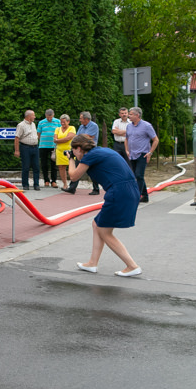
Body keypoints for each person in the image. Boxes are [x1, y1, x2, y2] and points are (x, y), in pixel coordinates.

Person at [68, 134, 142, 277]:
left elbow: (73, 176)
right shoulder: (103, 151)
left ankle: (132, 266)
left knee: (104, 231)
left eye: (74, 150)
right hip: (129, 190)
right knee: (97, 224)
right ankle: (92, 263)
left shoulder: (90, 156)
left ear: (78, 148)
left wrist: (70, 159)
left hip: (119, 192)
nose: (74, 154)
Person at [124, 107, 159, 203]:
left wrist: (150, 153)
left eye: (130, 114)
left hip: (142, 154)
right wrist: (127, 150)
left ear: (137, 115)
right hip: (132, 154)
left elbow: (155, 140)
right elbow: (127, 139)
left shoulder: (146, 126)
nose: (128, 116)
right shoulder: (129, 126)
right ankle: (145, 196)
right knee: (137, 175)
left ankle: (136, 196)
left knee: (138, 175)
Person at [68, 112, 101, 195]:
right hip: (81, 151)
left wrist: (79, 137)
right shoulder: (81, 126)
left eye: (81, 118)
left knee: (93, 170)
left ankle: (96, 189)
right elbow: (77, 137)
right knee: (77, 167)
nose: (80, 120)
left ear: (86, 119)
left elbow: (88, 137)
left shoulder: (94, 126)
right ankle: (72, 188)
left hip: (90, 151)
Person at [14, 110, 40, 190]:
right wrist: (17, 150)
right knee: (26, 166)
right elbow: (17, 138)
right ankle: (25, 184)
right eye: (33, 115)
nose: (35, 117)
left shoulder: (33, 124)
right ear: (29, 116)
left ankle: (36, 184)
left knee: (36, 166)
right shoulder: (21, 125)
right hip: (25, 147)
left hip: (35, 147)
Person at [37, 109, 61, 188]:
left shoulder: (58, 122)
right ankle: (46, 180)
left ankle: (53, 181)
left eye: (50, 117)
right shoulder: (41, 122)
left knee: (53, 164)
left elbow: (60, 132)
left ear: (53, 115)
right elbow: (39, 134)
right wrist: (42, 140)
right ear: (45, 116)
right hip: (43, 146)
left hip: (53, 146)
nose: (49, 119)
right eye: (48, 117)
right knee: (44, 164)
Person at [54, 115, 76, 191]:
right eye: (61, 122)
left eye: (64, 122)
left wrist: (58, 140)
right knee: (61, 167)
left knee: (72, 167)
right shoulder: (57, 129)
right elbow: (54, 139)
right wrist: (58, 140)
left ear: (68, 121)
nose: (62, 123)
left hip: (70, 151)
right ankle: (65, 184)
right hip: (59, 151)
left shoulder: (72, 128)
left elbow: (69, 138)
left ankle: (73, 184)